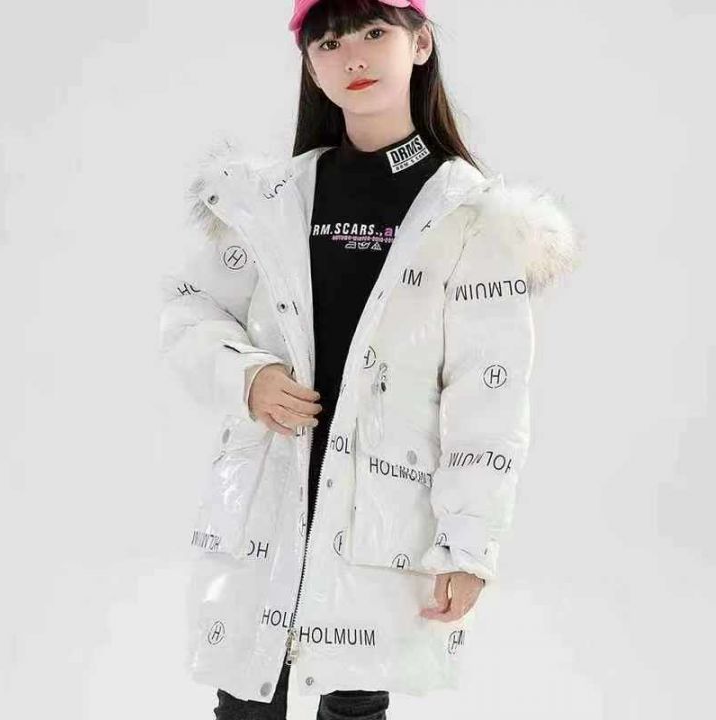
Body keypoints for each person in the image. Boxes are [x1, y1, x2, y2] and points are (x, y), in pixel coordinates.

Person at [158, 1, 583, 718]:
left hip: (381, 519)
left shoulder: (471, 217)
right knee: (247, 698)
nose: (352, 56)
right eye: (328, 43)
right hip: (267, 501)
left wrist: (468, 546)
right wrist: (248, 376)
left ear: (420, 44)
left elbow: (488, 397)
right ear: (310, 66)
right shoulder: (272, 200)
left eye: (374, 32)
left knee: (354, 703)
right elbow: (191, 309)